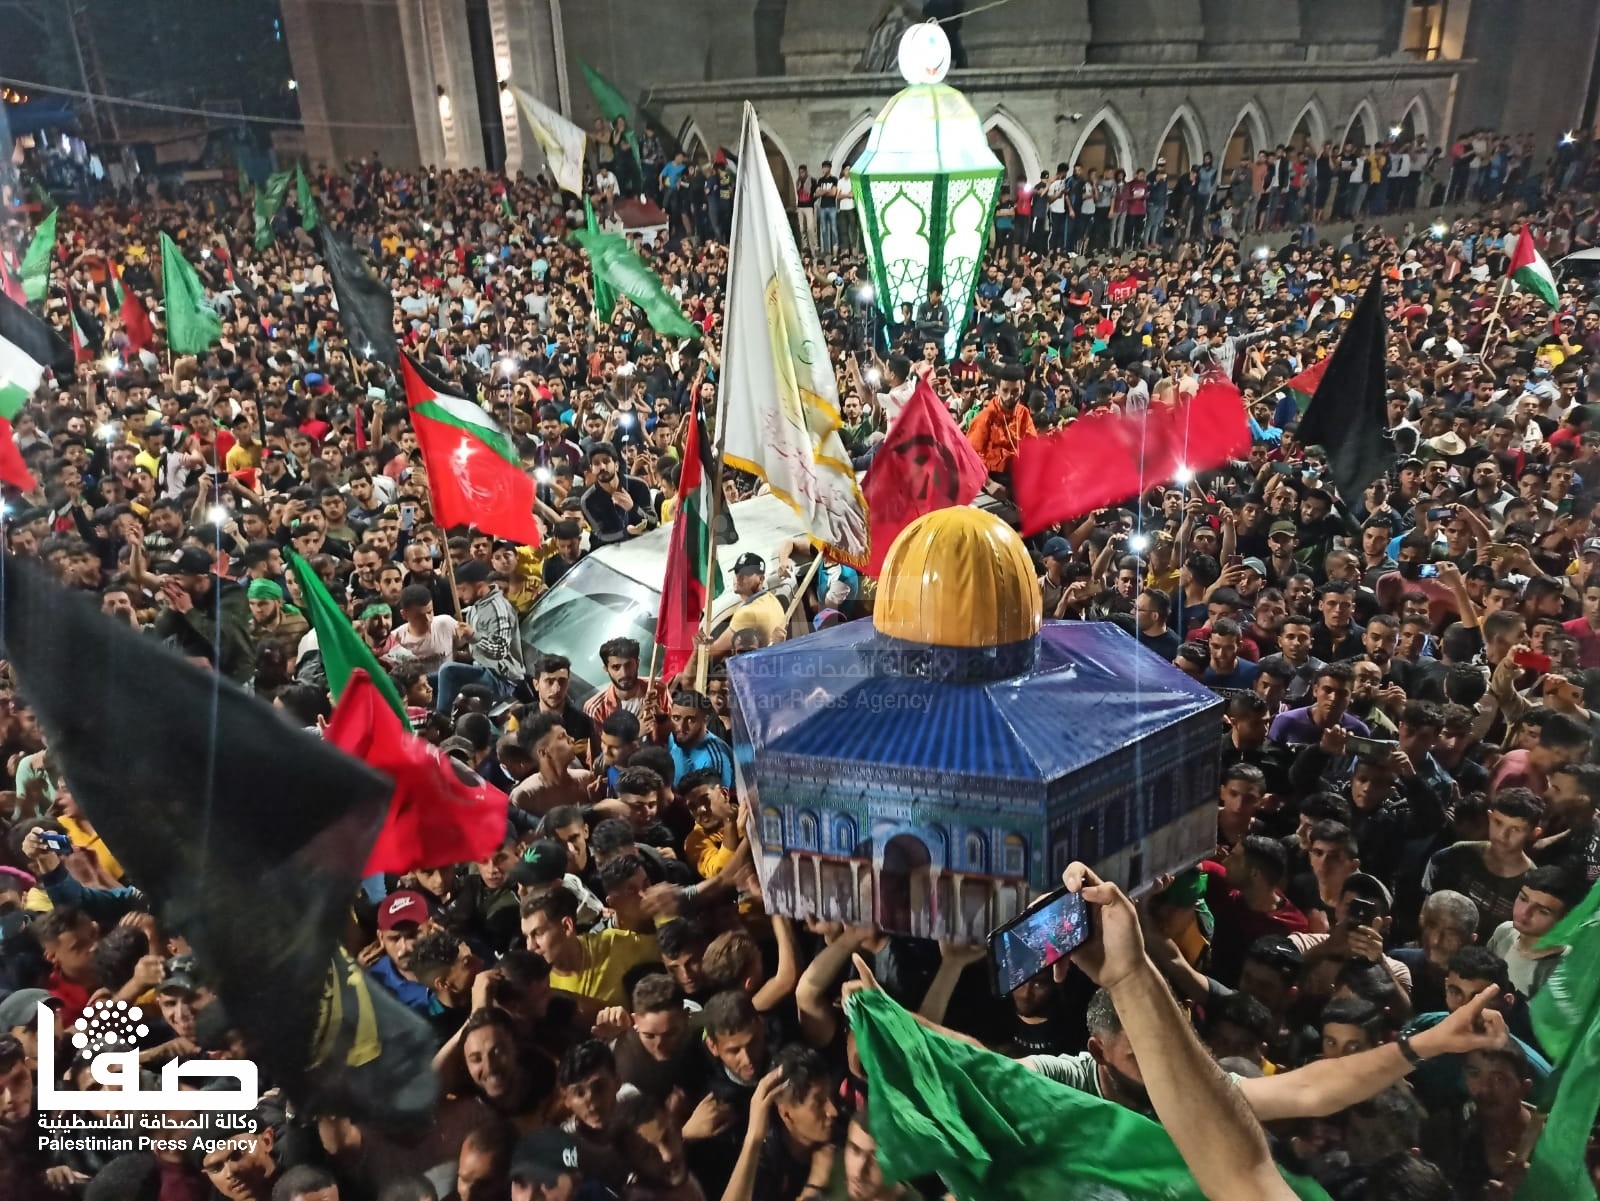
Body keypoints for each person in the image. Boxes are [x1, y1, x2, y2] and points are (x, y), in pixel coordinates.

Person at [437, 558, 525, 713]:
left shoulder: (498, 609)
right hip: (481, 669)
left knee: (447, 671)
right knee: (430, 679)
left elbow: (500, 650)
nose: (459, 595)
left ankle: (441, 720)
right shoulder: (475, 607)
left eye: (463, 589)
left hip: (501, 679)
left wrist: (473, 635)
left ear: (479, 586)